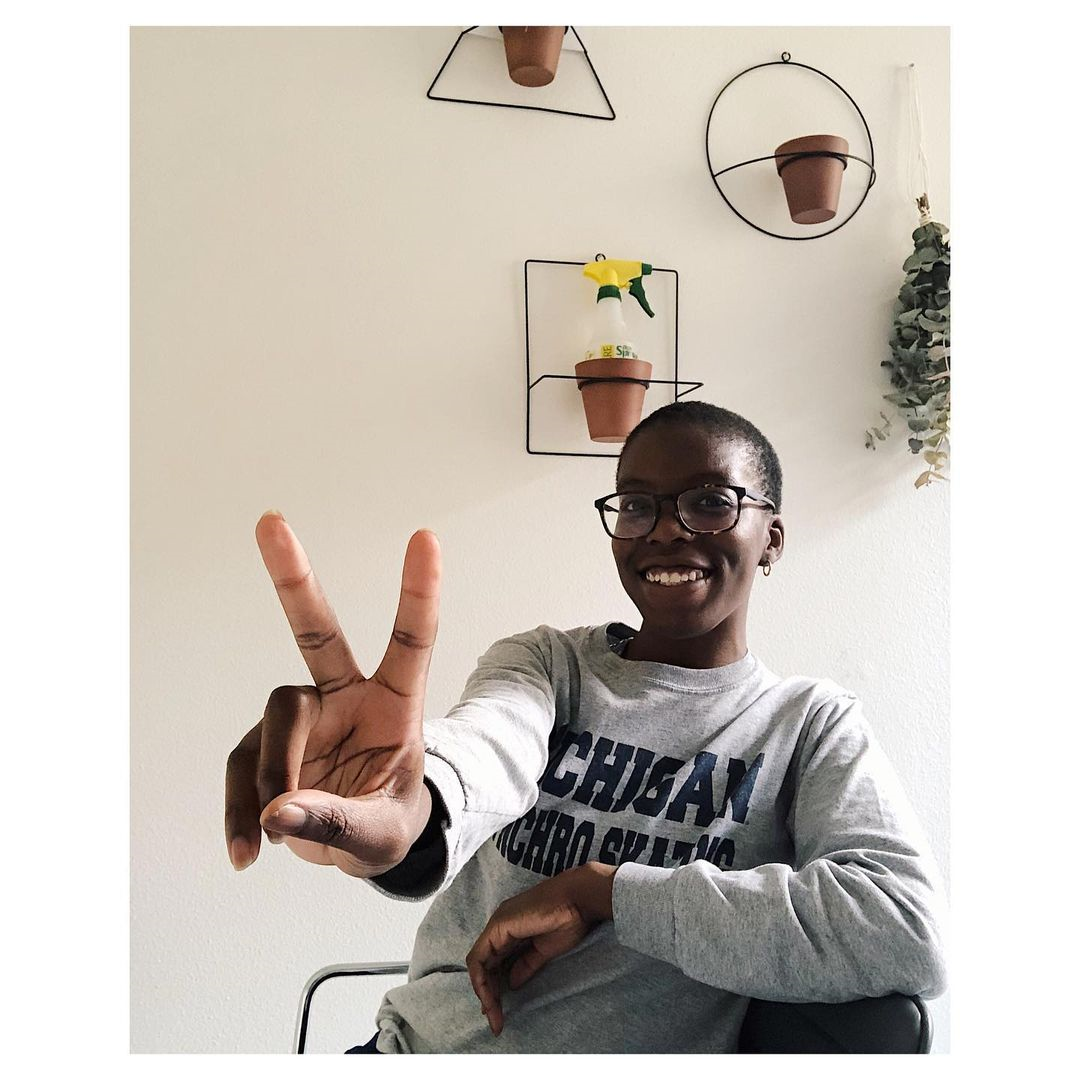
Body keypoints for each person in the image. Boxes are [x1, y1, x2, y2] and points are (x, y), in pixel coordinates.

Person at [224, 400, 947, 1054]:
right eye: (636, 506)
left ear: (773, 538)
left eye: (709, 502)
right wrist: (405, 806)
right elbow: (485, 749)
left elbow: (903, 929)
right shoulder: (547, 664)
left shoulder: (807, 726)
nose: (665, 530)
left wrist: (605, 890)